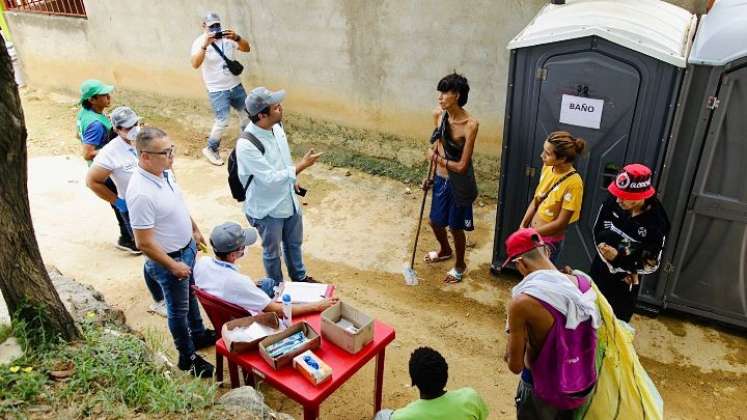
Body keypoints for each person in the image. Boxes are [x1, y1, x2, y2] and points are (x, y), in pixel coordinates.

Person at [126, 127, 215, 378]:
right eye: (165, 153)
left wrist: (194, 230)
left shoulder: (164, 172)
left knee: (190, 295)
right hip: (169, 259)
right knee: (177, 309)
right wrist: (173, 265)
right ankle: (187, 357)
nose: (172, 156)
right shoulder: (141, 193)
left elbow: (178, 204)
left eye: (171, 149)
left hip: (185, 247)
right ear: (145, 156)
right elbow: (143, 242)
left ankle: (198, 334)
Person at [502, 228, 600, 419]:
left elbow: (515, 365)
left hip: (542, 388)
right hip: (579, 383)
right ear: (546, 251)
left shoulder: (522, 303)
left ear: (520, 263)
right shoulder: (583, 283)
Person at [85, 107, 171, 315]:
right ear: (117, 129)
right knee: (151, 253)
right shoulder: (110, 152)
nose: (134, 129)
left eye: (135, 124)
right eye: (127, 127)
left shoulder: (146, 140)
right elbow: (92, 181)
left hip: (160, 201)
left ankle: (169, 287)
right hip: (135, 208)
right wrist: (117, 201)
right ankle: (159, 299)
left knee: (166, 247)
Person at [237, 87, 322, 284]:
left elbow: (282, 160)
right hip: (268, 209)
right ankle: (277, 287)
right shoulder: (247, 144)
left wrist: (294, 180)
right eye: (276, 107)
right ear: (261, 115)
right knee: (272, 252)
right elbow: (269, 178)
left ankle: (300, 278)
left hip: (288, 199)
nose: (281, 108)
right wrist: (301, 166)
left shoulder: (276, 128)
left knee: (293, 244)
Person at [193, 222, 338, 316]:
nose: (245, 248)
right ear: (232, 255)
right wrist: (317, 306)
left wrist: (249, 286)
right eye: (243, 246)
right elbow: (280, 311)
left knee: (268, 283)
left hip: (226, 307)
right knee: (287, 300)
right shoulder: (239, 282)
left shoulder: (202, 262)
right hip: (247, 321)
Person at [591, 164, 670, 323]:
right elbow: (597, 231)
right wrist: (615, 253)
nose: (618, 199)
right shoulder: (613, 200)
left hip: (626, 282)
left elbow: (651, 263)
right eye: (617, 193)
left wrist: (619, 259)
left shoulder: (657, 222)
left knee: (616, 325)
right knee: (588, 315)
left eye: (624, 196)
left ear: (642, 195)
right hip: (599, 271)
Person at [423, 72, 479, 284]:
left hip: (459, 184)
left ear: (456, 95)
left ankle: (460, 265)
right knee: (435, 222)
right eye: (440, 92)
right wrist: (429, 175)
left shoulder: (470, 125)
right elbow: (437, 145)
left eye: (444, 92)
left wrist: (437, 159)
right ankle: (445, 250)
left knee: (455, 227)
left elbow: (463, 166)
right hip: (439, 179)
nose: (440, 97)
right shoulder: (439, 115)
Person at [76, 79, 137, 253]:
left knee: (120, 205)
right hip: (107, 172)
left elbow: (78, 135)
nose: (109, 97)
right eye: (103, 95)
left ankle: (127, 238)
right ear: (92, 100)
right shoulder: (96, 124)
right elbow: (88, 152)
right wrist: (113, 151)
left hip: (103, 169)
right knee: (121, 204)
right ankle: (131, 240)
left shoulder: (84, 114)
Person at [190, 12, 251, 166]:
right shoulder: (199, 42)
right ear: (204, 27)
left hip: (235, 85)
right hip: (217, 90)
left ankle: (246, 145)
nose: (216, 29)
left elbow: (246, 48)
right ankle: (211, 149)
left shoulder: (228, 38)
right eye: (211, 26)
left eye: (217, 25)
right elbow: (195, 64)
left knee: (247, 115)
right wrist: (205, 45)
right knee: (222, 121)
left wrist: (237, 38)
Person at [519, 131, 585, 263]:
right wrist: (523, 227)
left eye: (547, 154)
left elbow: (560, 224)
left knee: (540, 280)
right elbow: (537, 199)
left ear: (562, 159)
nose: (541, 156)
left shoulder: (574, 184)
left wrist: (532, 234)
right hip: (531, 234)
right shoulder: (548, 167)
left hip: (548, 243)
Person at [374, 347, 489, 420]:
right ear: (445, 374)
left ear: (414, 382)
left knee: (382, 416)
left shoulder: (403, 416)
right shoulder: (470, 397)